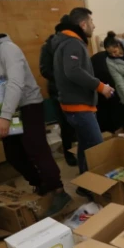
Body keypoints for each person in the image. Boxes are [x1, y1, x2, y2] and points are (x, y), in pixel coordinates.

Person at [0, 3, 71, 217]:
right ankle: (40, 184)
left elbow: (15, 84)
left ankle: (59, 191)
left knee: (36, 149)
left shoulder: (9, 49)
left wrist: (5, 116)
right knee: (14, 155)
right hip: (2, 108)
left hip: (27, 104)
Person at [51, 8, 115, 188]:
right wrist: (101, 87)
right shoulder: (73, 43)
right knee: (97, 149)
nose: (94, 26)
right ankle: (100, 188)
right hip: (79, 106)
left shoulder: (65, 42)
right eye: (92, 22)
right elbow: (73, 71)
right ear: (83, 24)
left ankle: (85, 185)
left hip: (74, 105)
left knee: (85, 146)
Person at [40, 31, 77, 167]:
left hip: (75, 89)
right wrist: (63, 77)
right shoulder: (48, 47)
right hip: (58, 91)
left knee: (78, 123)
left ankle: (80, 151)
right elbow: (44, 70)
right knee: (65, 124)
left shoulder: (72, 44)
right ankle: (68, 154)